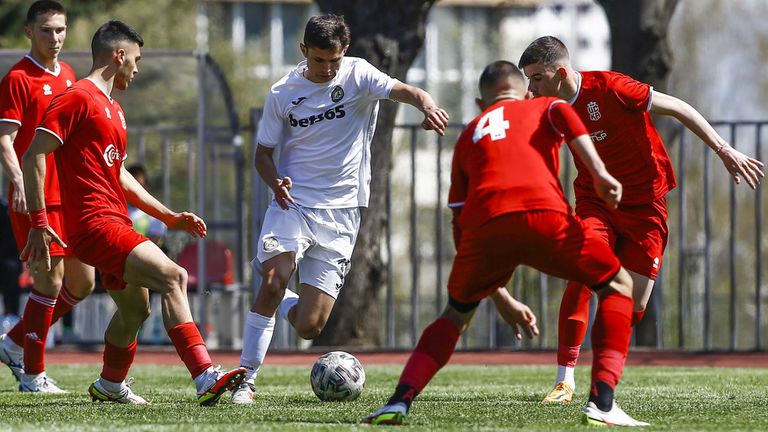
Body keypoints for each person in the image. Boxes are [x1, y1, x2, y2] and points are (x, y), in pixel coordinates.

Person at [363, 61, 650, 427]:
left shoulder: (467, 136)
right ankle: (603, 402)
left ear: (482, 102)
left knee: (454, 316)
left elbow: (458, 222)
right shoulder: (543, 105)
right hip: (545, 217)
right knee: (619, 285)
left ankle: (399, 401)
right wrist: (600, 173)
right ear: (526, 93)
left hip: (485, 230)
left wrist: (501, 296)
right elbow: (567, 115)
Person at [518, 36, 765, 405]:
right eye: (527, 79)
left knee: (630, 304)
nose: (530, 87)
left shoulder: (611, 87)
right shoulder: (544, 106)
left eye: (536, 77)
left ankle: (602, 378)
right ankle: (564, 380)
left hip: (646, 204)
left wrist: (723, 149)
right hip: (595, 201)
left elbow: (679, 108)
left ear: (562, 73)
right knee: (582, 271)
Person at [21, 19, 245, 405]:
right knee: (174, 276)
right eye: (136, 59)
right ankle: (205, 375)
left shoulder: (113, 109)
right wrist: (39, 223)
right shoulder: (78, 97)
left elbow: (119, 174)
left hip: (114, 221)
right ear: (118, 55)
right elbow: (34, 153)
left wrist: (168, 216)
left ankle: (110, 384)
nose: (137, 69)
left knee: (135, 310)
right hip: (95, 225)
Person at [231, 14, 449, 404]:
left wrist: (428, 105)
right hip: (292, 203)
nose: (327, 69)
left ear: (344, 52)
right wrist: (275, 182)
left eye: (333, 60)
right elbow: (262, 155)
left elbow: (406, 91)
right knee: (273, 279)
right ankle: (246, 378)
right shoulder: (283, 92)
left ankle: (277, 297)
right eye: (318, 61)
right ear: (303, 52)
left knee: (311, 327)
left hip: (343, 211)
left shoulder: (359, 75)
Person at [0, 0, 96, 393]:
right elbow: (5, 139)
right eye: (45, 30)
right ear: (28, 32)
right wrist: (20, 181)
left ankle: (14, 340)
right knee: (49, 282)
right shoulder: (19, 78)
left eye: (60, 30)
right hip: (34, 199)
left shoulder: (69, 75)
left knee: (84, 282)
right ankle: (33, 375)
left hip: (67, 197)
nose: (54, 38)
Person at [126, 164, 168, 247]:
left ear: (145, 185)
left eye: (138, 185)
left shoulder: (155, 213)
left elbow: (154, 243)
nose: (133, 190)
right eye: (130, 186)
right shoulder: (117, 209)